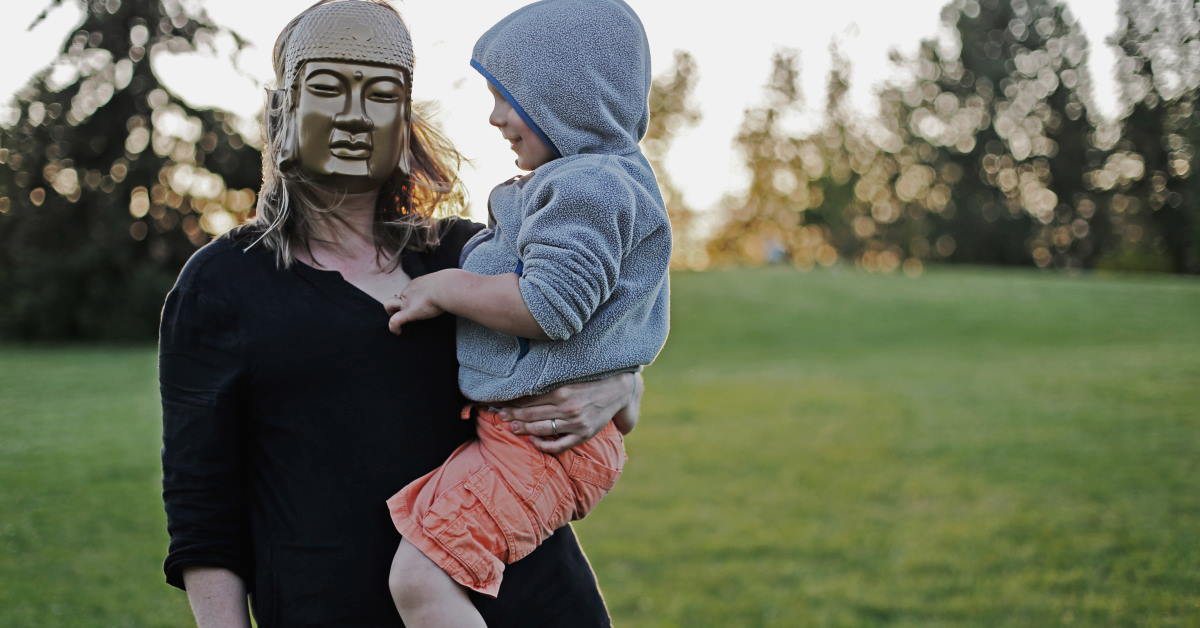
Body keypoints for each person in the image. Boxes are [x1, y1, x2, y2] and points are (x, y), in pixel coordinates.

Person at [158, 1, 641, 626]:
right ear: (283, 112)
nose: (356, 117)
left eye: (382, 95)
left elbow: (596, 337)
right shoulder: (223, 284)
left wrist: (623, 384)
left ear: (405, 121)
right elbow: (203, 507)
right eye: (328, 89)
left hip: (536, 603)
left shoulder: (475, 253)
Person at [381, 1, 670, 625]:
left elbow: (550, 305)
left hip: (541, 444)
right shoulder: (592, 182)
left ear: (569, 97)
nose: (495, 117)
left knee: (419, 578)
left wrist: (447, 289)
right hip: (533, 439)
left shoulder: (588, 186)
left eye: (507, 96)